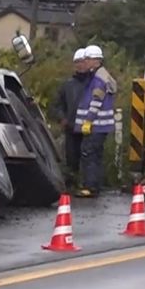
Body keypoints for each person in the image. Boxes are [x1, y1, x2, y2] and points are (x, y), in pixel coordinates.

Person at [75, 44, 117, 198]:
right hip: (100, 126)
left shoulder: (98, 78)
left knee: (89, 154)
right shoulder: (99, 75)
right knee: (95, 155)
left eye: (87, 59)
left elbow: (96, 101)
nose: (84, 62)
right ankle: (94, 185)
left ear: (95, 60)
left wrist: (88, 121)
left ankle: (90, 187)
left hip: (96, 126)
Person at [51, 47, 90, 186]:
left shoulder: (93, 84)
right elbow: (56, 105)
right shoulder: (67, 85)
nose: (80, 65)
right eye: (77, 62)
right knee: (71, 159)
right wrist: (62, 119)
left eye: (83, 61)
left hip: (88, 129)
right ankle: (71, 185)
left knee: (87, 158)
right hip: (71, 128)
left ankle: (87, 184)